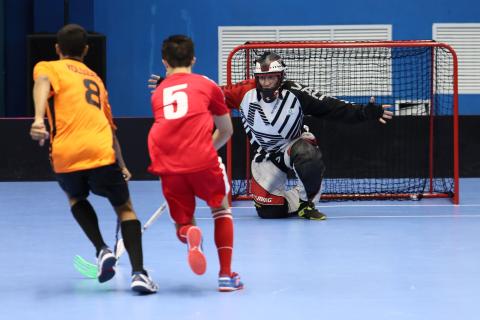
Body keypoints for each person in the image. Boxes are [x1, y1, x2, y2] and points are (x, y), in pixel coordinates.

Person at [150, 51, 393, 221]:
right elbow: (206, 93)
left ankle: (308, 201)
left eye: (272, 77)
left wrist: (364, 112)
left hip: (293, 146)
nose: (266, 83)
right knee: (269, 213)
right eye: (262, 78)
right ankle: (293, 200)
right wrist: (172, 84)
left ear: (281, 77)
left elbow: (331, 107)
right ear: (257, 78)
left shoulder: (296, 92)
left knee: (307, 154)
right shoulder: (243, 92)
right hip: (264, 157)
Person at [30, 24, 157, 294]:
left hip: (65, 154)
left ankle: (101, 249)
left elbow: (41, 83)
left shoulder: (48, 66)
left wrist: (39, 119)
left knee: (76, 198)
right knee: (125, 209)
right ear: (86, 50)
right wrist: (121, 165)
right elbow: (109, 126)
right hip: (100, 151)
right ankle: (139, 274)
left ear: (57, 49)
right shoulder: (96, 80)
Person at [148, 35, 243, 292]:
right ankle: (225, 276)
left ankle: (190, 236)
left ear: (164, 62)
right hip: (202, 160)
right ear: (193, 59)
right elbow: (225, 130)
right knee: (221, 210)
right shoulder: (206, 84)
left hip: (166, 161)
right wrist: (202, 150)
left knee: (183, 222)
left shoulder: (159, 93)